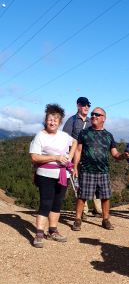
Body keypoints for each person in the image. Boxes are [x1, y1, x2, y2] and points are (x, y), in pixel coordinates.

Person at [72, 107, 127, 231]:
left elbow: (115, 154)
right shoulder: (84, 133)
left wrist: (124, 155)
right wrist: (75, 167)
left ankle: (105, 219)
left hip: (103, 171)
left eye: (97, 114)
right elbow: (78, 150)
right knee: (82, 196)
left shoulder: (108, 135)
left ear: (104, 118)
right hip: (86, 170)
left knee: (105, 196)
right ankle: (77, 219)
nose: (93, 116)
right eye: (92, 114)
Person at [29, 103, 77, 247]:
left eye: (56, 120)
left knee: (57, 203)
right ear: (46, 120)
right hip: (45, 175)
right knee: (46, 203)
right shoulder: (40, 136)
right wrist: (55, 158)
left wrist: (70, 157)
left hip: (63, 174)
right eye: (50, 119)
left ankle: (53, 230)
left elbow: (75, 142)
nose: (52, 122)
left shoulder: (64, 136)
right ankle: (39, 233)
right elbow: (34, 157)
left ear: (60, 122)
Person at [63, 96, 101, 218]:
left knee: (93, 181)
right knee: (78, 182)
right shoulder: (72, 121)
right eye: (83, 105)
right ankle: (83, 211)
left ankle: (98, 209)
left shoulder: (91, 121)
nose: (86, 107)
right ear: (78, 105)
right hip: (75, 157)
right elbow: (65, 139)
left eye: (88, 105)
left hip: (90, 157)